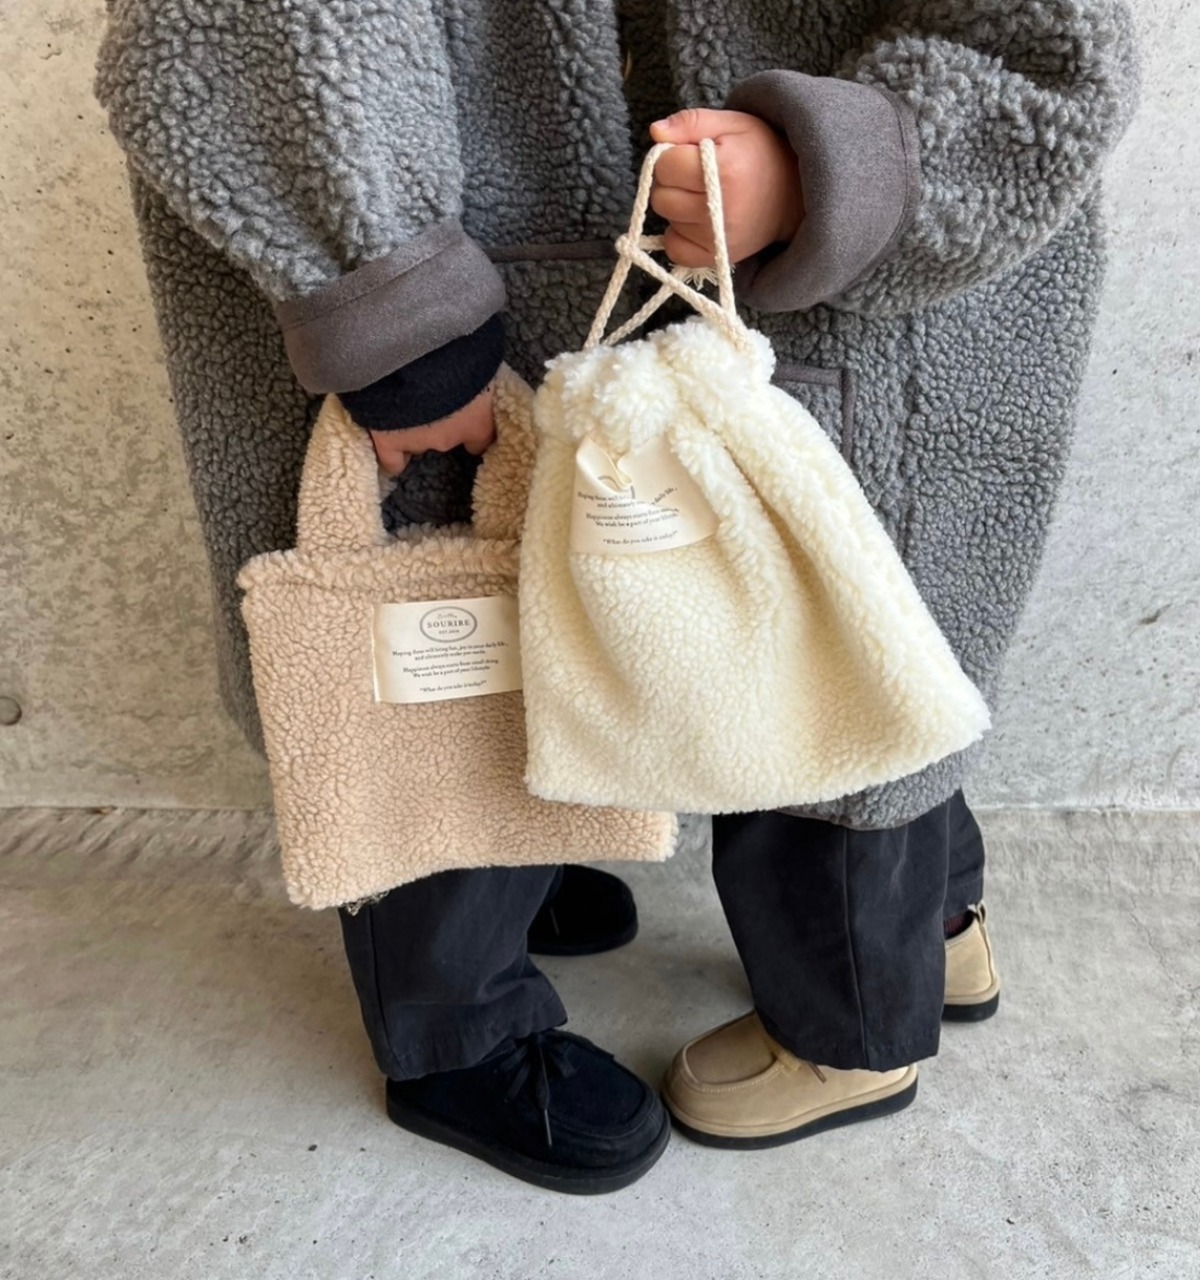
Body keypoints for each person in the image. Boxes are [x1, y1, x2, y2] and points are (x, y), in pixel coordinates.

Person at [95, 0, 1139, 1194]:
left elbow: (1050, 45)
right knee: (737, 628)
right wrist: (394, 314)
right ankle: (481, 1015)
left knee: (809, 628)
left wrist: (835, 162)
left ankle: (854, 1011)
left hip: (804, 262)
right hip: (472, 270)